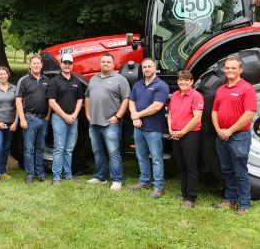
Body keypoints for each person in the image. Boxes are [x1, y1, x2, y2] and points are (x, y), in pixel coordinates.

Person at [211, 56, 257, 215]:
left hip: (238, 136)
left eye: (233, 68)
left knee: (240, 171)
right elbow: (214, 111)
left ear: (240, 70)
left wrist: (229, 131)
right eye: (227, 68)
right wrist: (218, 129)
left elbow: (249, 114)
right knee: (227, 170)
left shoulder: (247, 88)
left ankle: (244, 204)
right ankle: (230, 200)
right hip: (221, 136)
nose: (230, 71)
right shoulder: (221, 89)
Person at [84, 53, 130, 190]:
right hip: (94, 122)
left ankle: (117, 180)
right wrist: (87, 113)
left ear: (113, 64)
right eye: (103, 61)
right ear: (100, 63)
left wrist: (118, 116)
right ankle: (100, 177)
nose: (105, 64)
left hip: (110, 122)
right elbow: (87, 97)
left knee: (113, 151)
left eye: (108, 62)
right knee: (97, 151)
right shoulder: (93, 79)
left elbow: (126, 99)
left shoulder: (120, 79)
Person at [127, 59, 169, 199]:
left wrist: (138, 114)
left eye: (149, 66)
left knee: (156, 158)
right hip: (138, 127)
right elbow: (131, 101)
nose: (146, 69)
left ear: (155, 68)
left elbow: (156, 106)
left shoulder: (161, 86)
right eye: (144, 67)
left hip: (153, 128)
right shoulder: (138, 85)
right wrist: (135, 117)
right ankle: (144, 182)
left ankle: (158, 187)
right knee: (141, 156)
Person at [168, 70, 204, 208]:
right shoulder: (175, 96)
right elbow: (170, 113)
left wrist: (182, 132)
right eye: (181, 79)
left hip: (189, 135)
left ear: (192, 82)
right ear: (178, 81)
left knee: (191, 167)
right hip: (175, 134)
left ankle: (191, 198)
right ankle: (184, 193)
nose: (183, 82)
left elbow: (197, 118)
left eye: (186, 80)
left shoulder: (196, 96)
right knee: (181, 165)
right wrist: (171, 128)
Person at [47, 53, 84, 186]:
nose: (67, 65)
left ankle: (68, 175)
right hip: (59, 119)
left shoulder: (76, 81)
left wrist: (74, 115)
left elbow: (80, 99)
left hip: (73, 119)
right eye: (65, 63)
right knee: (59, 148)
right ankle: (56, 176)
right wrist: (65, 116)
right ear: (61, 64)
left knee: (69, 149)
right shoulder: (55, 81)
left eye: (69, 63)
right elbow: (52, 102)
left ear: (72, 65)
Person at [15, 54, 51, 184]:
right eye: (34, 63)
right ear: (30, 65)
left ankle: (40, 173)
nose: (36, 65)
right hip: (29, 118)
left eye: (38, 63)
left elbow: (50, 101)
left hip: (43, 120)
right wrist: (22, 119)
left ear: (41, 65)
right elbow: (18, 101)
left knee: (40, 148)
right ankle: (30, 174)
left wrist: (47, 117)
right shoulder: (23, 80)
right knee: (29, 148)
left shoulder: (47, 81)